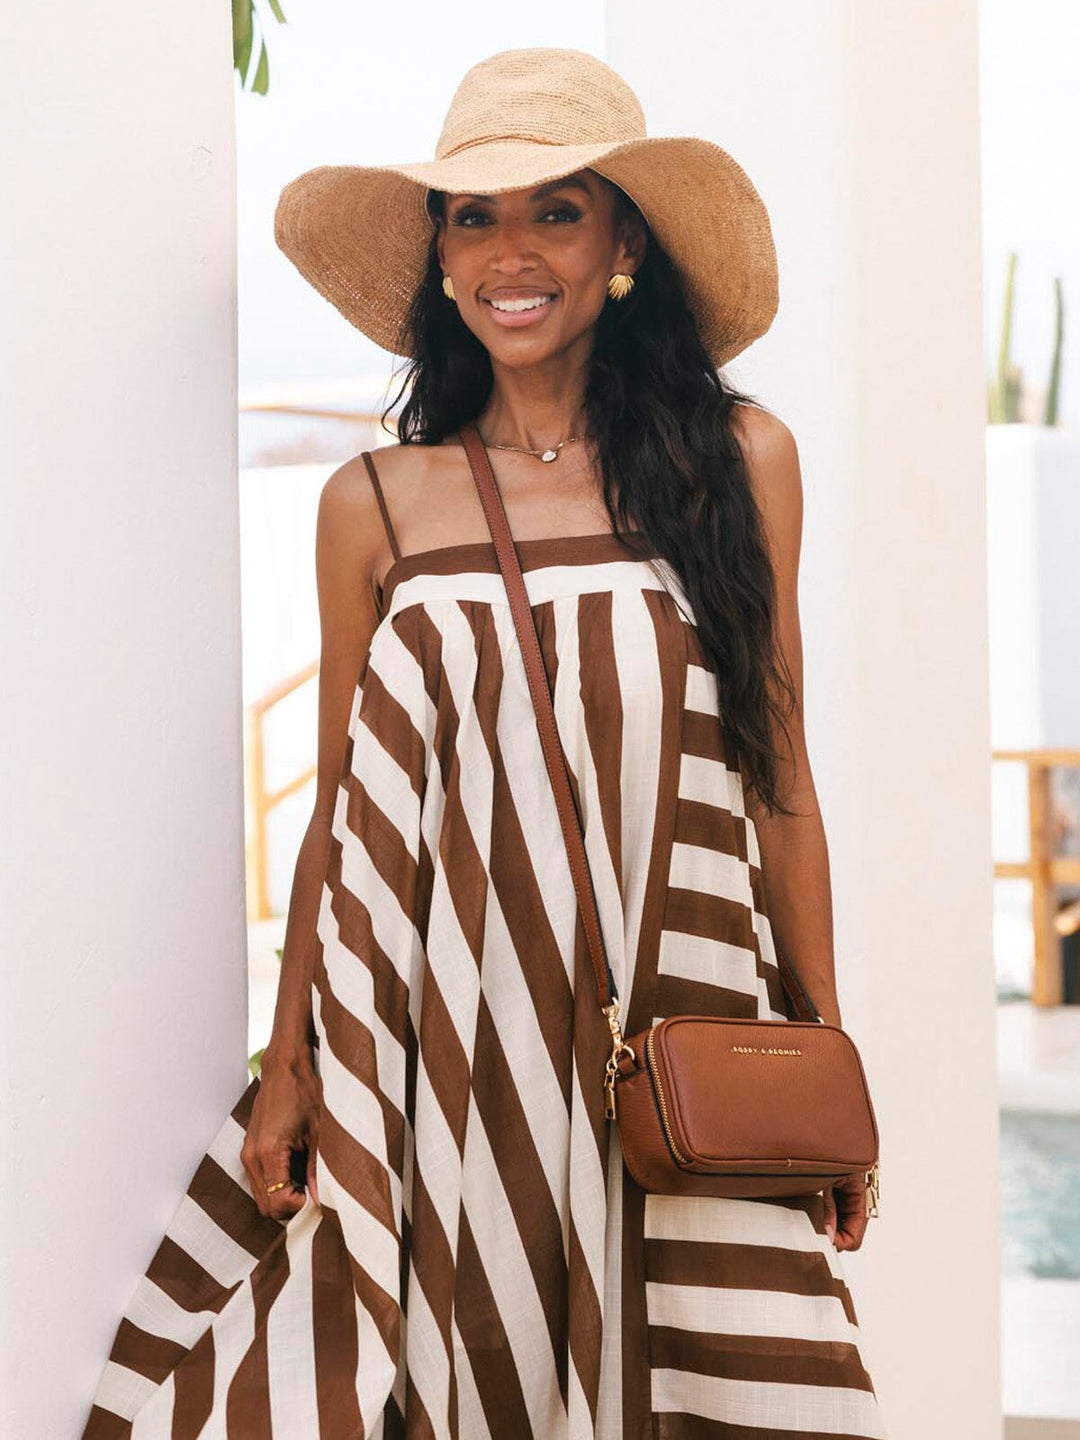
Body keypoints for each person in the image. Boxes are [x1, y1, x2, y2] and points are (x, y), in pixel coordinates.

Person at [82, 45, 887, 1440]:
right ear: (440, 254)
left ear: (625, 241)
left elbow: (777, 766)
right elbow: (343, 804)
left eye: (556, 210)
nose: (511, 252)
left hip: (675, 1007)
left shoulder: (740, 463)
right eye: (473, 215)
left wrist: (822, 1049)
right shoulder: (376, 506)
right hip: (446, 1034)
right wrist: (290, 1067)